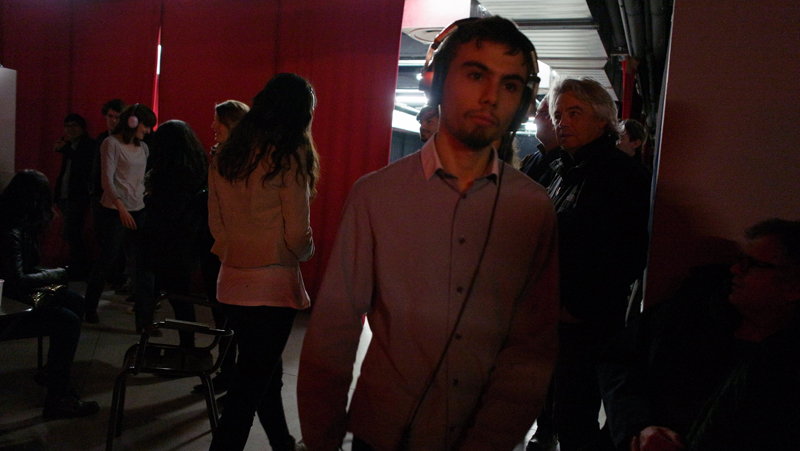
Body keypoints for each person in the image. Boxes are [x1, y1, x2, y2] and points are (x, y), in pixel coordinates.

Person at [297, 16, 559, 451]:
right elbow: (334, 332)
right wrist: (321, 437)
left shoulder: (533, 209)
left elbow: (532, 346)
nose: (491, 97)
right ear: (438, 83)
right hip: (382, 433)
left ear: (522, 102)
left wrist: (494, 437)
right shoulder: (376, 195)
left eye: (510, 85)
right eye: (475, 75)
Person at [599, 218, 800, 451]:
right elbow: (618, 358)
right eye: (738, 260)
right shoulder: (695, 306)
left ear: (793, 287)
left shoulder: (786, 363)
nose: (735, 269)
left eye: (751, 264)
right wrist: (638, 428)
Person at [207, 73, 318, 451]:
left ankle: (283, 444)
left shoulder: (226, 153)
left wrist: (236, 251)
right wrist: (305, 253)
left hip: (232, 279)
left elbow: (216, 223)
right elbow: (297, 232)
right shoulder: (290, 153)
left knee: (262, 373)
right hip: (272, 283)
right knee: (248, 387)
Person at [546, 77, 651, 451]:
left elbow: (627, 253)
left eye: (575, 113)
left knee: (574, 418)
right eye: (558, 114)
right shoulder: (566, 170)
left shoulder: (619, 174)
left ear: (603, 119)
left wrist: (578, 308)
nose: (563, 122)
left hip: (587, 321)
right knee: (562, 413)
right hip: (558, 315)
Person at [0, 170, 99, 418]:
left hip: (11, 296)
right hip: (7, 306)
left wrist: (55, 276)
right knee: (67, 320)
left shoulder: (18, 223)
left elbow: (22, 273)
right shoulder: (11, 231)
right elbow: (17, 280)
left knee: (73, 300)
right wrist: (59, 274)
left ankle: (53, 372)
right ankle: (58, 398)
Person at [194, 99, 250, 396]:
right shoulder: (223, 156)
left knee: (234, 317)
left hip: (230, 247)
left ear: (233, 125)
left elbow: (232, 209)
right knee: (223, 314)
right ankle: (226, 373)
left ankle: (232, 378)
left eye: (218, 121)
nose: (213, 126)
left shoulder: (245, 161)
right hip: (219, 244)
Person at [135, 120, 208, 342]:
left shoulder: (168, 172)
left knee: (157, 291)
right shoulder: (199, 166)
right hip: (188, 240)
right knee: (181, 298)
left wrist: (149, 198)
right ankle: (187, 345)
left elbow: (167, 209)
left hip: (163, 241)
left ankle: (151, 335)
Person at [83, 104, 156, 324]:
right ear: (133, 122)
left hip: (138, 209)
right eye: (146, 126)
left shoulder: (143, 148)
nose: (148, 131)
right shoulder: (111, 143)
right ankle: (89, 307)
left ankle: (144, 320)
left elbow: (141, 177)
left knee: (143, 264)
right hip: (114, 211)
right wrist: (121, 208)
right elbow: (107, 181)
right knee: (107, 259)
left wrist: (146, 192)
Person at [54, 113, 98, 280]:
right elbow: (64, 172)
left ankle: (81, 267)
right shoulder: (70, 145)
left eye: (74, 126)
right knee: (70, 232)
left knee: (71, 232)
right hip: (66, 194)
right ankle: (77, 266)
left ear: (82, 128)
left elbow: (84, 166)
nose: (70, 129)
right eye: (67, 126)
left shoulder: (88, 144)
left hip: (78, 196)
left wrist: (66, 149)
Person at [519, 98, 560, 188]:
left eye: (544, 114)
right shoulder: (531, 159)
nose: (535, 120)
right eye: (537, 114)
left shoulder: (569, 163)